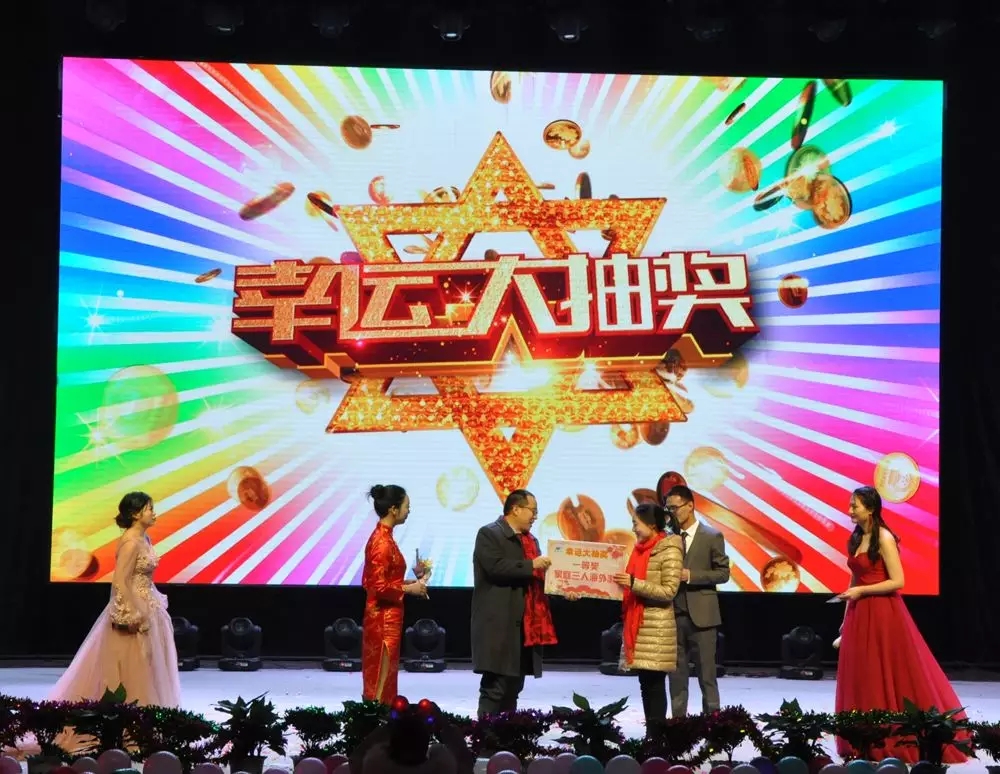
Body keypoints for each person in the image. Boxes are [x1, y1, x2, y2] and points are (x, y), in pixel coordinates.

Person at [834, 486, 968, 763]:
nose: (850, 510)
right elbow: (854, 580)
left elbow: (898, 581)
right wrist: (845, 620)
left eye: (855, 506)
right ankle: (864, 737)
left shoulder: (884, 537)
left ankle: (893, 736)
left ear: (871, 508)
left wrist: (862, 592)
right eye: (850, 505)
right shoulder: (856, 538)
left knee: (886, 671)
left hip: (883, 612)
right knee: (863, 674)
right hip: (859, 612)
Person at [49, 492, 181, 707]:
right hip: (133, 606)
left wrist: (152, 603)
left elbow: (143, 578)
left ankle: (146, 714)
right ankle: (130, 714)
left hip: (148, 603)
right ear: (135, 514)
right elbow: (120, 581)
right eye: (149, 509)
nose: (154, 513)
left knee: (148, 664)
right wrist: (133, 612)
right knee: (133, 664)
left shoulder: (145, 539)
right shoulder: (131, 542)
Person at [470, 489, 556, 719]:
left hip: (525, 625)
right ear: (516, 509)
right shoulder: (489, 534)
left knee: (514, 687)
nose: (535, 516)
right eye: (532, 511)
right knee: (495, 687)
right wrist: (531, 565)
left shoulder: (531, 541)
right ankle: (484, 736)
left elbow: (538, 578)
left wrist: (562, 588)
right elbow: (495, 568)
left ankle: (507, 736)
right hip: (498, 623)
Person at [613, 502, 684, 731]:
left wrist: (634, 583)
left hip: (657, 628)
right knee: (646, 685)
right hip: (641, 626)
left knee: (654, 685)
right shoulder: (639, 550)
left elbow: (669, 591)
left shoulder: (670, 550)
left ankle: (657, 737)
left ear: (652, 525)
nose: (633, 528)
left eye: (636, 523)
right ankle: (652, 736)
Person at [662, 484, 730, 717]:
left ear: (690, 505)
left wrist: (691, 575)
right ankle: (678, 725)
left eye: (675, 508)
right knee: (676, 677)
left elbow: (723, 573)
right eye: (668, 509)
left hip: (703, 617)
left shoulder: (711, 536)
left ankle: (713, 725)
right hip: (672, 614)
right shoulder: (667, 538)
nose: (671, 513)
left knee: (707, 676)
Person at [361, 485, 429, 705]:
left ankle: (383, 718)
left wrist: (412, 583)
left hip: (390, 617)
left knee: (386, 675)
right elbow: (377, 586)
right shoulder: (381, 542)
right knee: (380, 680)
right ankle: (376, 720)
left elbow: (385, 581)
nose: (408, 511)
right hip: (383, 619)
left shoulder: (386, 538)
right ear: (393, 509)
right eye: (406, 506)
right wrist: (409, 589)